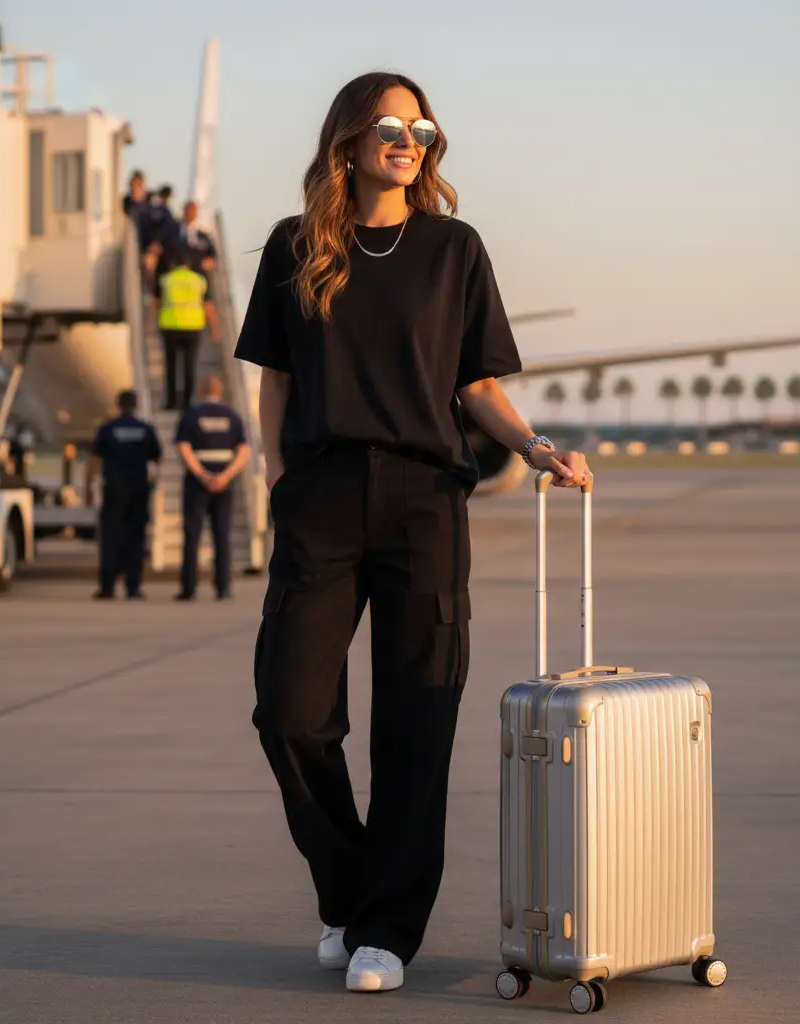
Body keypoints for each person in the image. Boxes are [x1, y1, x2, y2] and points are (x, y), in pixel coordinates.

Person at [235, 71, 591, 994]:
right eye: (388, 124)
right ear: (348, 140)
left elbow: (475, 387)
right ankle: (348, 890)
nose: (407, 137)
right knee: (290, 711)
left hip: (427, 504)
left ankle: (386, 930)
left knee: (417, 722)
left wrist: (539, 445)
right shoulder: (294, 247)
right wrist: (280, 484)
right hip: (319, 498)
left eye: (421, 126)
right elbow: (273, 381)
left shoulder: (454, 249)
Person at [173, 374, 250, 601]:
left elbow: (184, 448)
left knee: (192, 535)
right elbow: (243, 450)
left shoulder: (192, 415)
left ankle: (189, 588)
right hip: (225, 482)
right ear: (220, 391)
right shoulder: (232, 416)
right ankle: (223, 587)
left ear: (200, 390)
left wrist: (203, 475)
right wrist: (226, 476)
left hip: (198, 484)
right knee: (222, 535)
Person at [85, 389, 162, 600]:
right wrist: (152, 481)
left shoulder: (107, 428)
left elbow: (94, 460)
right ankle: (133, 587)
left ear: (117, 405)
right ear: (136, 406)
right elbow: (156, 457)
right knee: (135, 538)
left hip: (114, 490)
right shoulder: (145, 429)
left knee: (110, 539)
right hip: (138, 490)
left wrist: (88, 489)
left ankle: (107, 587)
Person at [151, 248, 220, 412]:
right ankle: (187, 403)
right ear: (188, 264)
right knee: (189, 366)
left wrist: (152, 323)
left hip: (170, 326)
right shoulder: (199, 280)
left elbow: (155, 304)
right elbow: (208, 306)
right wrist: (215, 329)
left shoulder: (165, 279)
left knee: (171, 366)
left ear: (172, 264)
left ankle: (171, 402)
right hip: (193, 327)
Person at [173, 200, 218, 273]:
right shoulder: (173, 232)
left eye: (193, 211)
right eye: (189, 210)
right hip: (178, 275)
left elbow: (212, 253)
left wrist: (209, 261)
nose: (191, 213)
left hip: (198, 276)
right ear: (184, 211)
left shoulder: (203, 236)